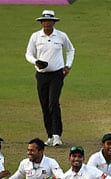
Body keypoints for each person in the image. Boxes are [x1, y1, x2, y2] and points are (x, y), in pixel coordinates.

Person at [25, 9, 75, 147]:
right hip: (41, 75)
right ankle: (49, 136)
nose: (47, 23)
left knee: (53, 102)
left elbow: (71, 49)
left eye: (49, 21)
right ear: (41, 22)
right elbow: (28, 54)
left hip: (57, 74)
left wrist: (68, 65)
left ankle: (57, 135)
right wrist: (35, 61)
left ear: (54, 22)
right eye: (44, 21)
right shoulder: (35, 36)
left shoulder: (61, 36)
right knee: (45, 104)